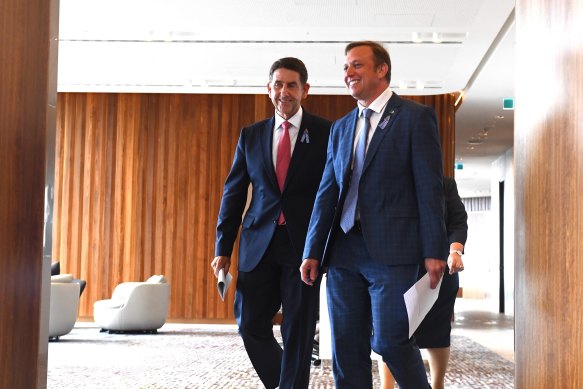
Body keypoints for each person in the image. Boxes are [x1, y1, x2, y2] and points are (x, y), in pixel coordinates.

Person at [300, 41, 447, 389]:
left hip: (392, 251)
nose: (348, 73)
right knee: (347, 348)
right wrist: (312, 250)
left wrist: (435, 249)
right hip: (343, 250)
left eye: (357, 65)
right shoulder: (341, 127)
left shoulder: (414, 118)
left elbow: (429, 189)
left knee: (390, 341)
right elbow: (327, 192)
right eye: (345, 67)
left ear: (382, 70)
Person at [211, 57, 331, 389]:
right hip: (257, 244)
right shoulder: (250, 135)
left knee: (298, 329)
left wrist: (325, 247)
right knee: (249, 323)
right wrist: (222, 248)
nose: (284, 91)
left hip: (303, 246)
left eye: (291, 85)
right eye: (277, 84)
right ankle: (285, 383)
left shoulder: (325, 132)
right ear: (268, 89)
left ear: (305, 90)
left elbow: (333, 192)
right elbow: (233, 194)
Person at [378, 176, 468, 389]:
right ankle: (386, 386)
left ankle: (437, 385)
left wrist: (455, 251)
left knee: (438, 331)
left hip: (439, 271)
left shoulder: (445, 184)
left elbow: (458, 221)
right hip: (398, 269)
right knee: (393, 331)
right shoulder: (391, 179)